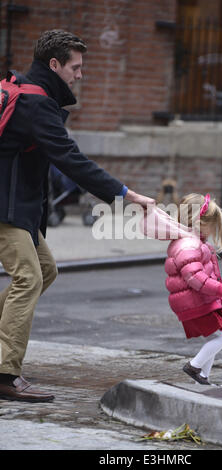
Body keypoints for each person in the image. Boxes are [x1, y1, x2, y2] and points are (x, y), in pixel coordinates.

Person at [0, 29, 155, 402]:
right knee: (29, 277)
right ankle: (5, 374)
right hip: (5, 207)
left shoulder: (19, 88)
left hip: (16, 206)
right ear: (54, 65)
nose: (80, 75)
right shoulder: (36, 104)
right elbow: (71, 160)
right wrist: (125, 193)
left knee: (45, 271)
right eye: (76, 67)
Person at [163, 193, 222, 385]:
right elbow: (195, 278)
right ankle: (194, 366)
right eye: (213, 225)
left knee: (214, 338)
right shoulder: (189, 245)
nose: (215, 230)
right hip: (195, 302)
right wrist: (221, 290)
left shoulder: (190, 242)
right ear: (198, 221)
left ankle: (203, 379)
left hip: (196, 300)